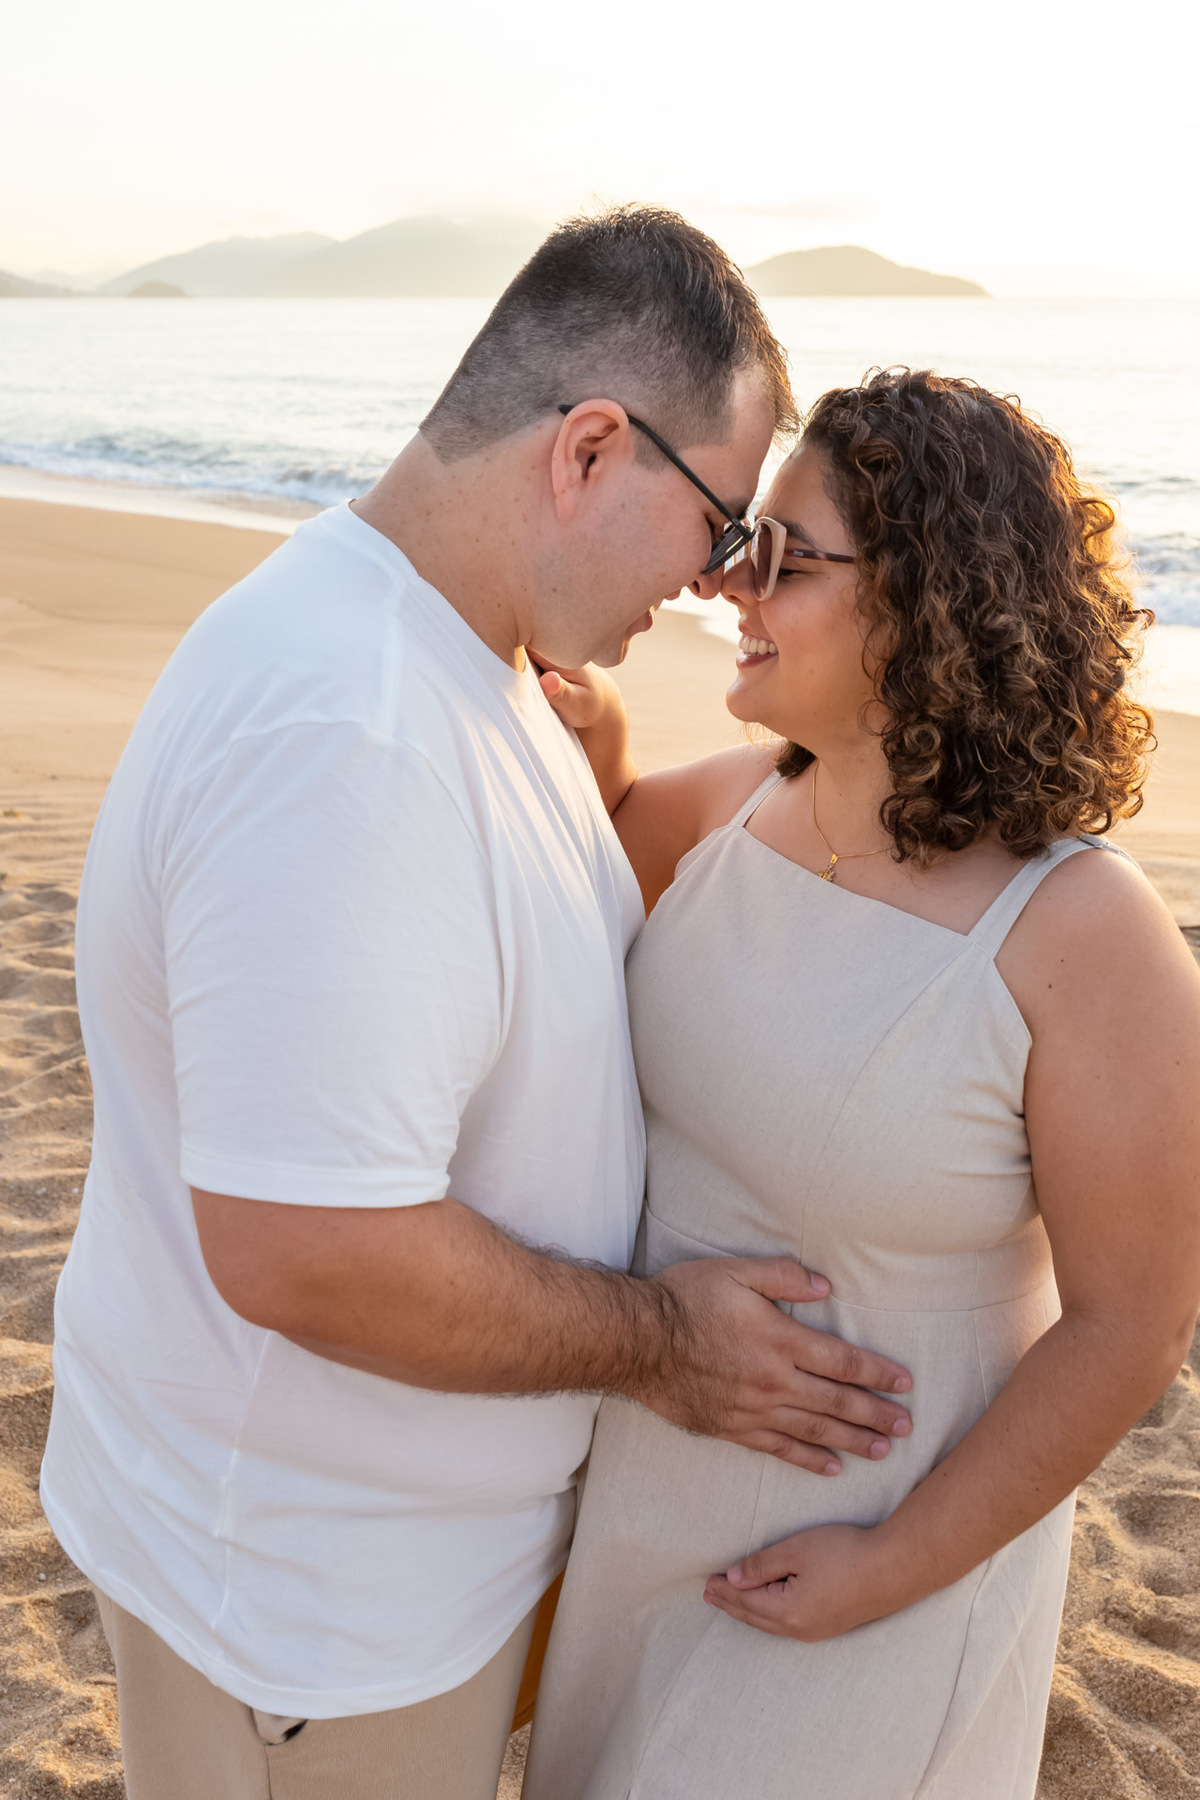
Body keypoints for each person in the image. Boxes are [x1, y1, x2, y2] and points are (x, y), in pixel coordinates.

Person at [39, 209, 918, 1800]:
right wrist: (664, 1344)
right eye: (717, 520)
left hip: (360, 1586)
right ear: (590, 450)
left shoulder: (460, 654)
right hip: (305, 1619)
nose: (716, 580)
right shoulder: (349, 736)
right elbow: (307, 1246)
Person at [522, 369, 1200, 1800]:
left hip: (878, 1565)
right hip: (646, 1502)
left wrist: (895, 1564)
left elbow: (1132, 1324)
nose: (727, 585)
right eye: (737, 544)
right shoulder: (737, 805)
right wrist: (604, 754)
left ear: (923, 603)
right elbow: (588, 882)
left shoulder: (1083, 934)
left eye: (778, 555)